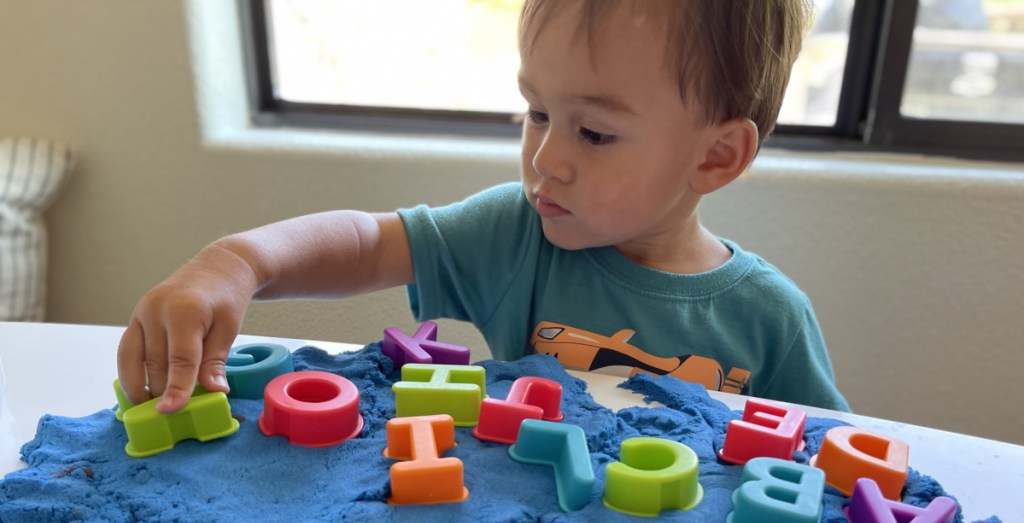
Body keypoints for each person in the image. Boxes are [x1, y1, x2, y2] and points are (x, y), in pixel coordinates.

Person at [117, 0, 849, 415]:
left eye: (594, 132)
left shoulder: (771, 320)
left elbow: (833, 457)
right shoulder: (519, 234)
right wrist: (237, 263)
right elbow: (370, 244)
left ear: (715, 156)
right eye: (535, 113)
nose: (546, 159)